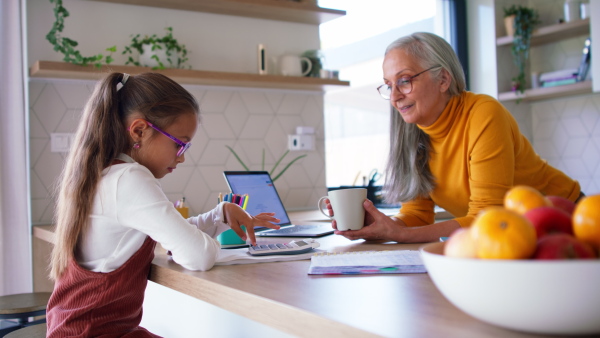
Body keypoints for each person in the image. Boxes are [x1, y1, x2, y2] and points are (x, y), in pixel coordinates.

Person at [46, 72, 280, 337]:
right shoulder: (129, 179)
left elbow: (173, 235)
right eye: (180, 145)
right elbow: (197, 255)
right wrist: (210, 246)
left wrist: (220, 215)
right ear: (139, 130)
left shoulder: (107, 174)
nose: (181, 158)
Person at [329, 32, 582, 243]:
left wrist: (400, 234)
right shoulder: (414, 133)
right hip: (512, 234)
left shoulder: (483, 113)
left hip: (565, 220)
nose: (394, 96)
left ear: (443, 79)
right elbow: (417, 215)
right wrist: (377, 225)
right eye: (388, 85)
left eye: (404, 81)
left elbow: (486, 216)